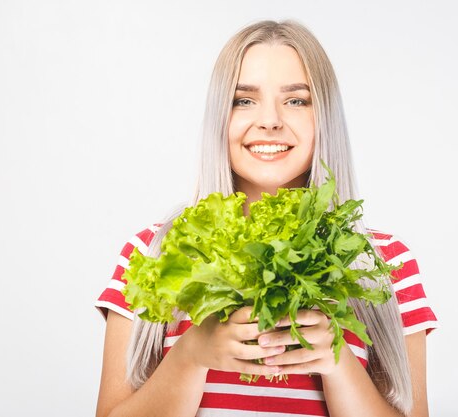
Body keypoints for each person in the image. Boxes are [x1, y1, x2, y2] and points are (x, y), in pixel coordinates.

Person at [95, 20, 438, 417]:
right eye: (243, 100)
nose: (270, 120)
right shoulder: (153, 252)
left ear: (324, 117)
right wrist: (190, 355)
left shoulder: (385, 263)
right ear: (219, 117)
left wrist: (337, 360)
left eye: (296, 100)